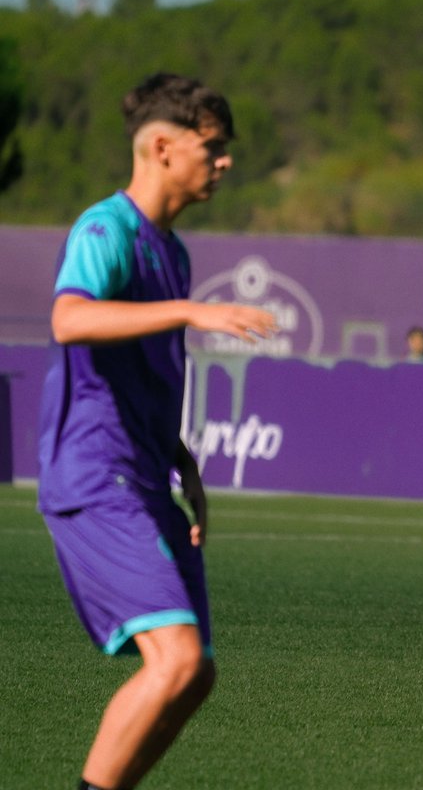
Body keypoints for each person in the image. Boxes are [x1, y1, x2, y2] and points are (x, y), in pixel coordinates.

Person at [37, 72, 277, 790]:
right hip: (93, 475)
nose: (226, 161)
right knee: (172, 660)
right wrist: (189, 312)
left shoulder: (171, 251)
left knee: (195, 672)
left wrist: (184, 465)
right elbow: (69, 319)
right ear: (165, 147)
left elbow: (138, 375)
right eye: (215, 147)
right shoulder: (106, 229)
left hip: (144, 477)